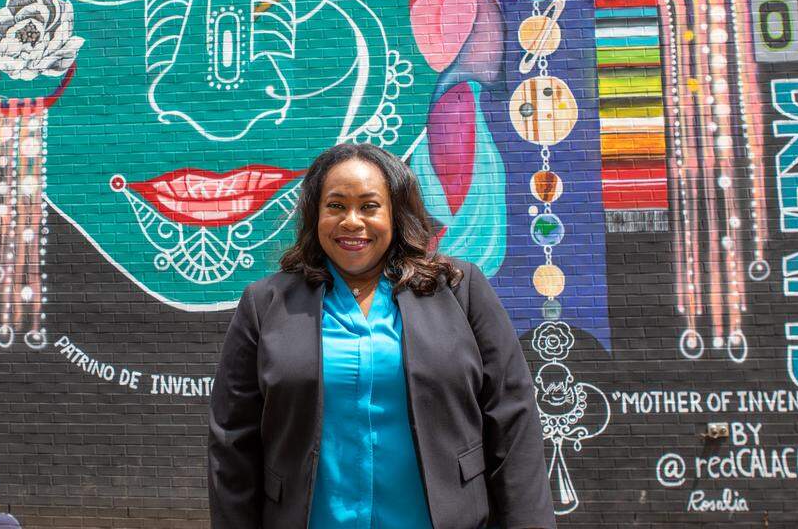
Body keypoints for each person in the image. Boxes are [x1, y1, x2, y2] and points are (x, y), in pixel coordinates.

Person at [208, 142, 556, 529]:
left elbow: (512, 417)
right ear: (315, 214)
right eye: (335, 206)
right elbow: (233, 438)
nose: (351, 221)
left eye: (369, 206)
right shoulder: (265, 304)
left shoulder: (460, 290)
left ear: (395, 212)